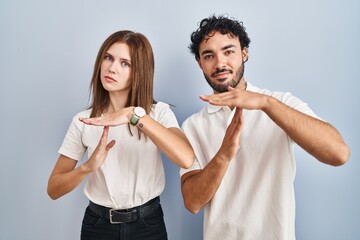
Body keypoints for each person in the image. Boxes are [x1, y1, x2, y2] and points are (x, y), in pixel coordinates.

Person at [180, 15, 350, 240]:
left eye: (228, 51)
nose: (220, 63)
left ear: (244, 53)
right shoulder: (193, 125)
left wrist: (265, 103)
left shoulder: (280, 103)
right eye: (209, 56)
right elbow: (192, 203)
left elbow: (338, 154)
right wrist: (223, 155)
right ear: (200, 63)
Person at [47, 30, 194, 240]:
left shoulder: (158, 113)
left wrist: (134, 115)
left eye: (125, 63)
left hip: (148, 225)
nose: (112, 68)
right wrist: (88, 167)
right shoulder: (84, 120)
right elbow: (54, 189)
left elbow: (186, 158)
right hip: (98, 226)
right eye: (108, 57)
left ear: (139, 72)